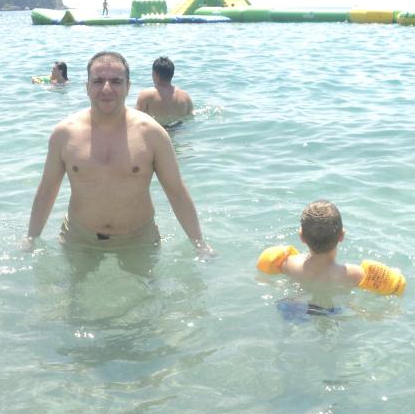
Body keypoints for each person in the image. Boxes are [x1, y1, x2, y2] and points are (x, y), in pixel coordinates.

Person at [23, 50, 213, 258]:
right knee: (71, 281)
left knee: (146, 281)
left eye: (116, 81)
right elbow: (47, 190)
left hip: (138, 238)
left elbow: (176, 191)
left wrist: (199, 242)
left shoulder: (152, 134)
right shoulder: (64, 133)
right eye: (98, 81)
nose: (107, 88)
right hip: (80, 237)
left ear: (128, 86)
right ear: (87, 87)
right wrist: (31, 237)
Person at [257, 200, 406, 297]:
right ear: (342, 235)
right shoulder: (354, 274)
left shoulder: (287, 264)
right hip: (334, 311)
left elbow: (264, 274)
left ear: (301, 237)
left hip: (295, 307)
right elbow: (396, 286)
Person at [135, 56, 194, 128]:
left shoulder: (146, 95)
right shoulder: (185, 96)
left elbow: (136, 120)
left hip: (157, 131)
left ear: (155, 74)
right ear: (172, 74)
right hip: (179, 131)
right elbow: (191, 117)